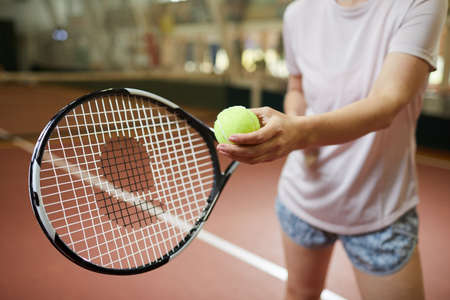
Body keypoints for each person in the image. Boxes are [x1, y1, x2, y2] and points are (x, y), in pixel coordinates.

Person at [217, 0, 448, 299]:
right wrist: (297, 127)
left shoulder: (420, 2)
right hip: (303, 198)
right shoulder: (298, 13)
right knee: (300, 293)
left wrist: (300, 133)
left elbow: (386, 104)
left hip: (380, 209)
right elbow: (297, 89)